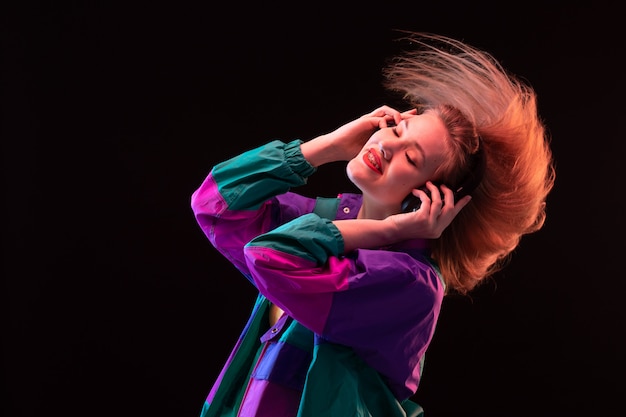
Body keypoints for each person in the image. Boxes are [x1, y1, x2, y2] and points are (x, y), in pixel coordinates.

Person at [190, 31, 555, 417]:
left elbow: (269, 256)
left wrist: (395, 230)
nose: (386, 145)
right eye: (396, 129)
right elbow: (215, 205)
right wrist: (327, 146)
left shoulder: (409, 283)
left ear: (428, 198)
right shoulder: (328, 219)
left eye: (411, 158)